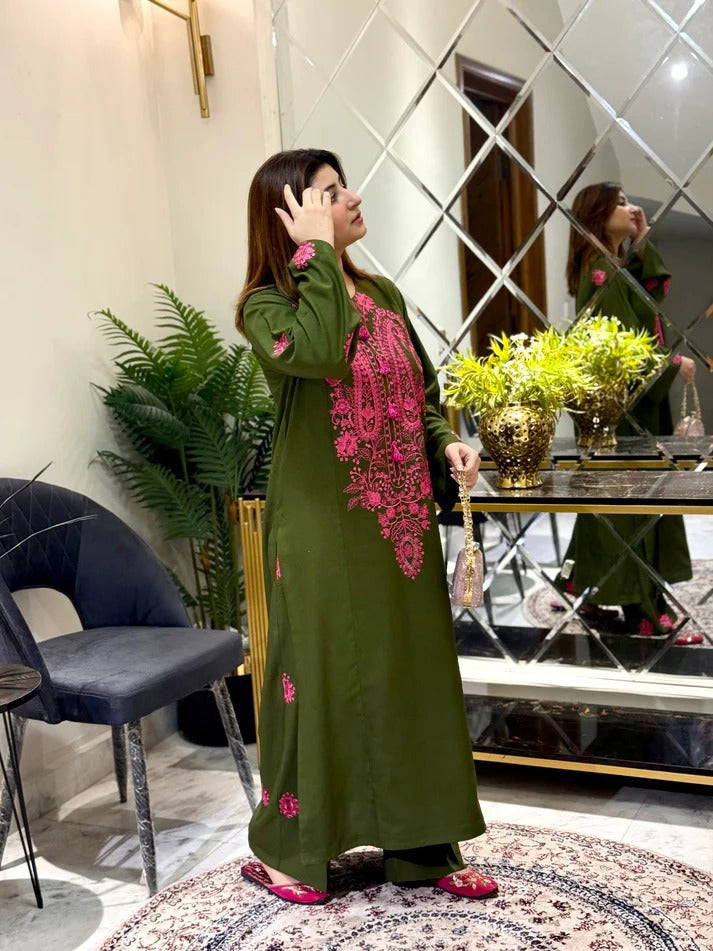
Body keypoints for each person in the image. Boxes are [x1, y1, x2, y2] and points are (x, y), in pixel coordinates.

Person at [234, 149, 498, 904]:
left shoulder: (381, 293)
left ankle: (422, 845)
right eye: (327, 193)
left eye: (341, 186)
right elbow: (319, 352)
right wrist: (316, 254)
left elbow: (419, 393)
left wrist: (442, 443)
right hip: (321, 530)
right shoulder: (266, 307)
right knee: (318, 679)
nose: (350, 198)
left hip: (398, 524)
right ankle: (289, 850)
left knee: (408, 677)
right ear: (291, 216)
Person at [558, 181, 701, 645]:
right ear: (598, 215)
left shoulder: (608, 267)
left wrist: (640, 240)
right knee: (633, 509)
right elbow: (621, 351)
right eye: (620, 203)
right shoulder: (602, 272)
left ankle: (581, 585)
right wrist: (673, 364)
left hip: (623, 410)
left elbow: (651, 295)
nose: (631, 208)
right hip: (623, 413)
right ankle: (644, 612)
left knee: (612, 506)